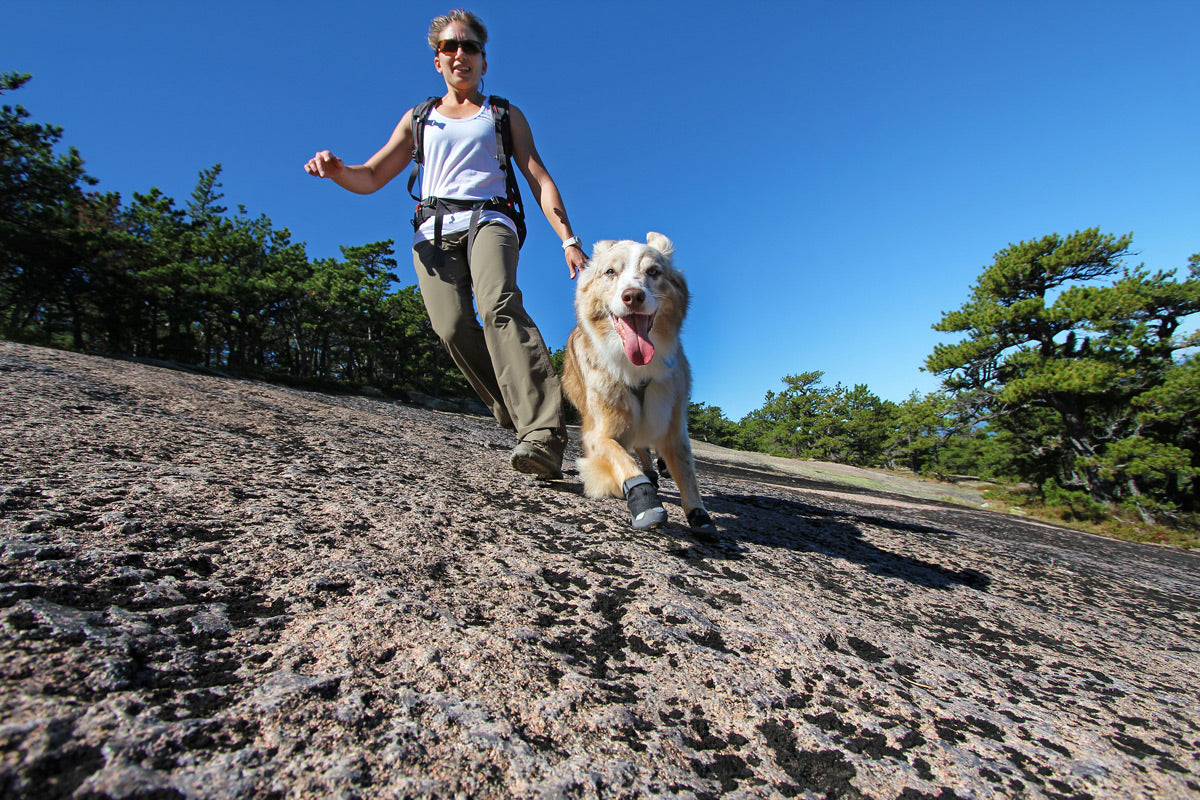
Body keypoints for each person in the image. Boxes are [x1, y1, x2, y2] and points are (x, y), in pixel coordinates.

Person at [305, 9, 585, 480]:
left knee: (497, 303)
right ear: (437, 60)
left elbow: (538, 177)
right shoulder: (418, 119)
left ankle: (542, 435)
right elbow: (372, 176)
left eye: (470, 46)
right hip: (432, 230)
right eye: (450, 47)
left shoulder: (502, 114)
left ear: (483, 60)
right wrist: (337, 171)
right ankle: (519, 413)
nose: (461, 54)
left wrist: (568, 239)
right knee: (452, 327)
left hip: (490, 219)